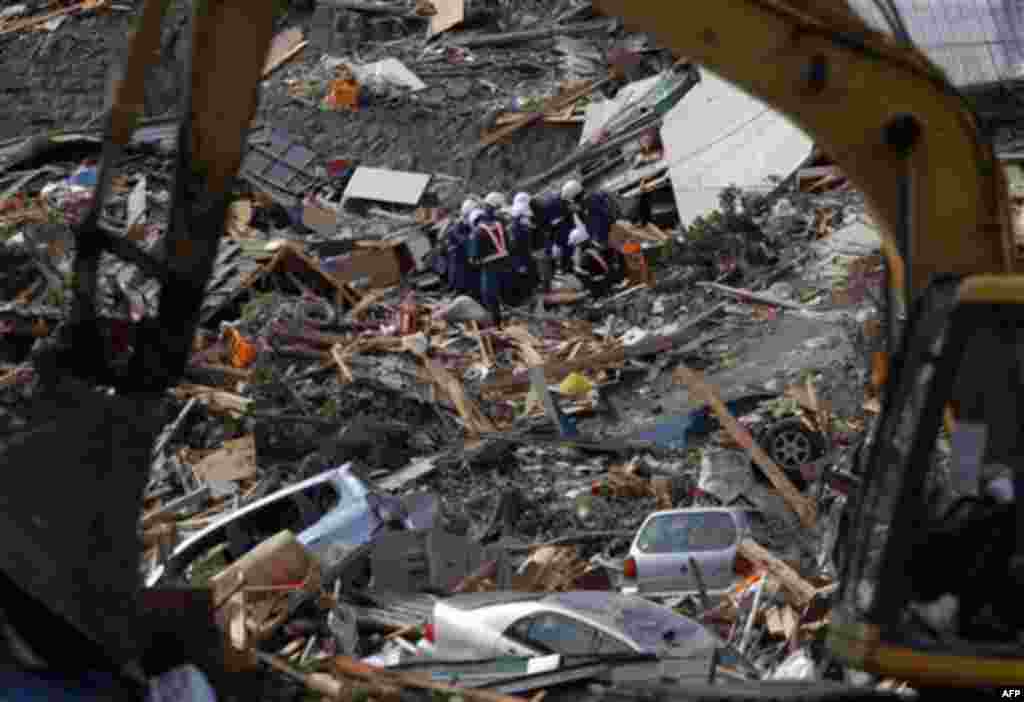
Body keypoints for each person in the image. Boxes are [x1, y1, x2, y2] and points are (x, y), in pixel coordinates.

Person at [467, 208, 511, 327]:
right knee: (507, 293)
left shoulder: (477, 232)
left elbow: (473, 258)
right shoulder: (499, 225)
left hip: (490, 268)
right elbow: (509, 244)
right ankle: (511, 317)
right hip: (507, 264)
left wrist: (473, 260)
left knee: (490, 296)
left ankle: (497, 324)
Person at [570, 228, 624, 299]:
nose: (576, 247)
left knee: (577, 271)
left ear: (579, 243)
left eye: (576, 245)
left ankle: (600, 293)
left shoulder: (586, 255)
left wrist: (578, 269)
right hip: (612, 277)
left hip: (603, 283)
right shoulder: (597, 246)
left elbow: (587, 273)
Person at [506, 192, 538, 303]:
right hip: (520, 258)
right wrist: (519, 264)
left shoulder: (516, 224)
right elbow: (515, 247)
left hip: (523, 256)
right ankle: (524, 300)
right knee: (522, 281)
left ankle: (527, 298)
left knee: (526, 279)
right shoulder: (515, 228)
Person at [448, 199, 480, 298]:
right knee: (464, 284)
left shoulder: (468, 224)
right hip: (460, 261)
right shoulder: (457, 226)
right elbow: (465, 241)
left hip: (466, 261)